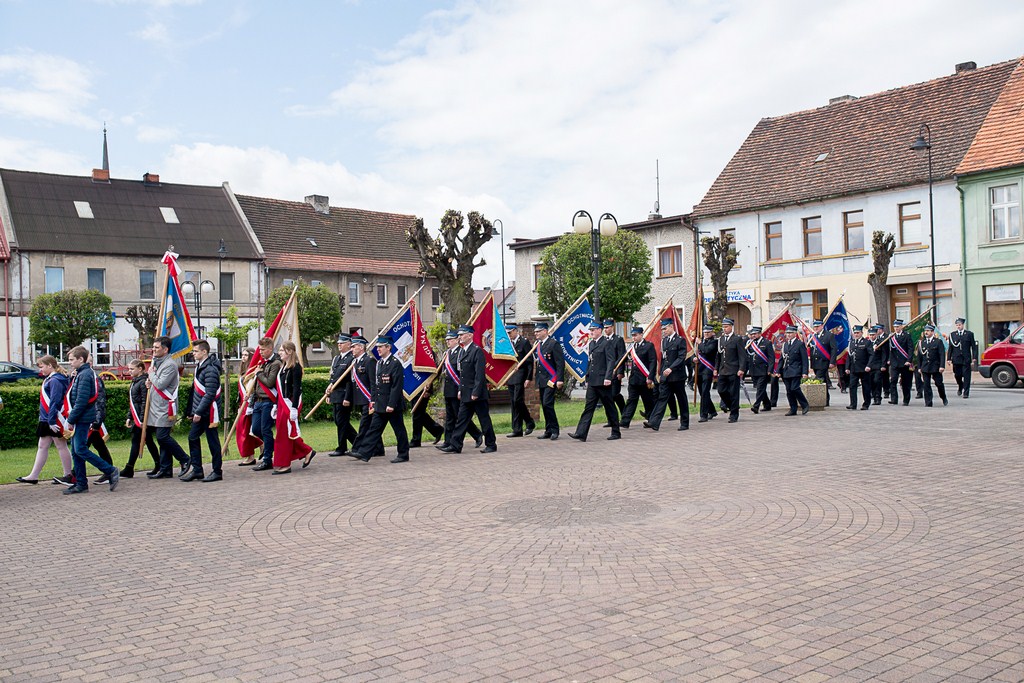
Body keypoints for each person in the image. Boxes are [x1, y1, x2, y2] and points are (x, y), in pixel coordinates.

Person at [61, 346, 119, 494]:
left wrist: (71, 420)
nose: (69, 363)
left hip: (82, 418)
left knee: (80, 449)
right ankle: (81, 483)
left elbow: (81, 401)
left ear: (81, 359)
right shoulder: (82, 373)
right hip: (81, 417)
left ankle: (110, 470)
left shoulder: (85, 374)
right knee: (76, 451)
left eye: (72, 359)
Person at [350, 336, 410, 463]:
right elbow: (376, 385)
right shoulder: (379, 363)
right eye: (377, 347)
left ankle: (403, 454)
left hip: (392, 404)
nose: (378, 349)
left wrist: (391, 404)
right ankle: (364, 453)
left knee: (399, 430)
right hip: (380, 403)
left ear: (388, 347)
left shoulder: (395, 363)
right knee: (374, 429)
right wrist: (373, 400)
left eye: (381, 347)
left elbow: (396, 387)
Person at [440, 324, 497, 454]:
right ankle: (455, 445)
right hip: (466, 392)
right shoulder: (463, 351)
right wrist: (460, 389)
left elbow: (479, 374)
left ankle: (491, 444)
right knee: (461, 420)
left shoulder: (477, 351)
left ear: (470, 335)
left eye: (462, 334)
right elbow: (462, 375)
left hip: (477, 394)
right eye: (459, 335)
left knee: (484, 419)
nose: (459, 337)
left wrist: (476, 392)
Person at [17, 355, 73, 485]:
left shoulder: (55, 380)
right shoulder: (52, 379)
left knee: (60, 445)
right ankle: (33, 475)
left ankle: (67, 474)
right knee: (42, 445)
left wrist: (52, 420)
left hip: (52, 418)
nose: (40, 370)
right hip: (47, 418)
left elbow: (55, 401)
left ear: (50, 365)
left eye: (42, 367)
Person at [146, 336, 191, 479]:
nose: (153, 350)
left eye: (156, 347)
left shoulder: (170, 365)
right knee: (161, 438)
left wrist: (151, 374)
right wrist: (150, 382)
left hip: (166, 407)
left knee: (162, 436)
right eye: (153, 347)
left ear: (165, 349)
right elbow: (155, 383)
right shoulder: (159, 363)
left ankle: (184, 459)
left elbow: (160, 384)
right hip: (157, 406)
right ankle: (166, 468)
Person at [569, 321, 621, 441]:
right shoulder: (592, 344)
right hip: (593, 381)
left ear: (600, 330)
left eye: (593, 330)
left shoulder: (606, 343)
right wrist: (587, 377)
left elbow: (610, 361)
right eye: (590, 330)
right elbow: (591, 361)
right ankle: (581, 433)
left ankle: (616, 431)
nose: (591, 332)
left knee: (609, 406)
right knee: (588, 407)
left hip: (603, 381)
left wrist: (608, 377)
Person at [271, 341, 316, 473]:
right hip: (281, 403)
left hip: (290, 403)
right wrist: (275, 405)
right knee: (284, 432)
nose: (279, 353)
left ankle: (285, 464)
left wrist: (294, 408)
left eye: (281, 350)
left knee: (284, 434)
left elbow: (296, 389)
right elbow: (279, 388)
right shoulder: (282, 367)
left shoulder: (295, 367)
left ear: (289, 352)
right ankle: (307, 451)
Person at [182, 340, 223, 481]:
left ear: (204, 352)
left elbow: (210, 393)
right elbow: (196, 392)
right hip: (201, 410)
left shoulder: (210, 369)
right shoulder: (200, 367)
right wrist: (192, 411)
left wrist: (198, 412)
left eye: (195, 351)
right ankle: (197, 470)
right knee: (192, 437)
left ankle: (217, 471)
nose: (193, 353)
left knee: (213, 442)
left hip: (209, 411)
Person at [436, 330, 482, 451]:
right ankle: (447, 441)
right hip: (448, 389)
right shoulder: (447, 353)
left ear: (457, 340)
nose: (448, 342)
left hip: (457, 388)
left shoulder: (461, 352)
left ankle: (477, 434)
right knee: (450, 417)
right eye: (447, 340)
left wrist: (460, 389)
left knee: (460, 416)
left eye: (450, 340)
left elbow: (462, 373)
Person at [644, 319, 689, 431]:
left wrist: (671, 368)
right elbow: (664, 359)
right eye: (662, 329)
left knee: (681, 399)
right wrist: (661, 372)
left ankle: (684, 423)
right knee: (662, 398)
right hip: (666, 376)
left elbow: (681, 357)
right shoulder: (664, 341)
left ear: (671, 327)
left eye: (665, 328)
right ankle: (654, 422)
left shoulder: (680, 340)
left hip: (677, 376)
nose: (663, 331)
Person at [121, 359, 160, 478]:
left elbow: (145, 402)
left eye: (132, 369)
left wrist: (142, 419)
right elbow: (133, 401)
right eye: (129, 369)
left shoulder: (143, 382)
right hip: (136, 416)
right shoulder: (135, 381)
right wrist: (129, 416)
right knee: (148, 441)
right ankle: (159, 464)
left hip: (141, 418)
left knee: (137, 441)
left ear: (140, 369)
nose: (130, 371)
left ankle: (129, 468)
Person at [348, 336, 385, 459]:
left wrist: (373, 400)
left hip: (368, 399)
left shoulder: (369, 361)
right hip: (361, 399)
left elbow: (374, 383)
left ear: (361, 347)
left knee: (364, 424)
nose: (351, 348)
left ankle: (357, 448)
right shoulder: (356, 362)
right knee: (370, 424)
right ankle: (379, 449)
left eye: (353, 346)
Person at [249, 337, 283, 472]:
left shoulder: (275, 363)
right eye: (259, 349)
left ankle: (267, 459)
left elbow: (269, 382)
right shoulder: (263, 362)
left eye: (263, 350)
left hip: (268, 401)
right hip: (258, 401)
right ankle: (274, 446)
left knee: (265, 430)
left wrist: (259, 373)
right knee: (256, 429)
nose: (260, 352)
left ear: (270, 349)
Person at [325, 335, 359, 456]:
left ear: (349, 344)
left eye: (342, 343)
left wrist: (347, 397)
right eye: (338, 343)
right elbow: (332, 376)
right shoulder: (336, 359)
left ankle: (342, 447)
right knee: (339, 421)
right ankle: (357, 443)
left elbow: (350, 380)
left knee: (342, 422)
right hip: (335, 394)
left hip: (344, 394)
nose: (339, 345)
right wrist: (328, 393)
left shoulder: (351, 359)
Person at [618, 325, 656, 429]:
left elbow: (653, 362)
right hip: (634, 379)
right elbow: (624, 359)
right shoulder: (631, 347)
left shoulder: (648, 346)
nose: (634, 337)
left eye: (635, 335)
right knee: (631, 400)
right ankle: (625, 421)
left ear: (641, 334)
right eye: (632, 335)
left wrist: (650, 377)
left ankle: (651, 419)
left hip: (645, 378)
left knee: (648, 400)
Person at [533, 322, 564, 441]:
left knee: (547, 404)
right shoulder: (537, 344)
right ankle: (548, 430)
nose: (536, 333)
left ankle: (555, 429)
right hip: (541, 380)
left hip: (551, 379)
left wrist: (560, 379)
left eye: (538, 331)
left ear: (545, 331)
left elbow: (560, 363)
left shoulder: (553, 344)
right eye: (535, 331)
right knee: (544, 406)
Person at [505, 323, 536, 437]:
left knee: (517, 400)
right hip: (511, 376)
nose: (508, 335)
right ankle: (517, 429)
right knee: (514, 402)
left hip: (520, 374)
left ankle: (529, 422)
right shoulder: (508, 344)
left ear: (515, 331)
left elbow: (529, 361)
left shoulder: (524, 342)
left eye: (510, 333)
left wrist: (528, 378)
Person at [716, 317, 747, 423]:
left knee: (734, 393)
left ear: (731, 327)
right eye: (723, 327)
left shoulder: (737, 339)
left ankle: (734, 414)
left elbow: (742, 356)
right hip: (723, 370)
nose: (724, 329)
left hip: (734, 370)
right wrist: (716, 368)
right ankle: (732, 406)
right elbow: (719, 356)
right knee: (721, 390)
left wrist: (741, 368)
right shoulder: (721, 339)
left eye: (726, 327)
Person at [779, 325, 810, 415]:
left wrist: (805, 372)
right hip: (786, 371)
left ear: (795, 334)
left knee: (795, 388)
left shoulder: (799, 344)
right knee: (789, 390)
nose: (788, 335)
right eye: (787, 333)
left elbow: (804, 359)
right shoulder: (785, 344)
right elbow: (782, 359)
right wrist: (778, 371)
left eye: (790, 333)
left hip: (796, 370)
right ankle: (793, 408)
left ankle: (805, 405)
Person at [236, 347, 259, 466]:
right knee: (244, 430)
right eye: (242, 354)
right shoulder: (244, 371)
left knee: (248, 431)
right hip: (243, 405)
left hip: (251, 404)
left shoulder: (255, 370)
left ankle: (254, 454)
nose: (243, 357)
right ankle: (252, 453)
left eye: (246, 355)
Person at [745, 326, 775, 414]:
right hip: (753, 370)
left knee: (760, 388)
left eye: (755, 334)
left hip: (763, 370)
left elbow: (771, 357)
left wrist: (770, 369)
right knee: (760, 388)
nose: (753, 335)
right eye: (752, 334)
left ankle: (756, 406)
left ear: (760, 333)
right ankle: (767, 404)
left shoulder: (767, 343)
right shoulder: (750, 343)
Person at [807, 319, 837, 406]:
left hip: (824, 362)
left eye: (817, 326)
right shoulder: (812, 336)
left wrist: (832, 361)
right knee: (823, 381)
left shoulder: (829, 335)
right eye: (815, 327)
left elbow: (833, 349)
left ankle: (818, 399)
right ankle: (826, 399)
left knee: (819, 379)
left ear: (822, 326)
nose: (816, 328)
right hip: (815, 362)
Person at [845, 325, 875, 411]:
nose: (856, 334)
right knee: (852, 386)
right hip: (854, 368)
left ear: (861, 333)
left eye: (858, 333)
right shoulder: (851, 342)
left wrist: (869, 365)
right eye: (855, 333)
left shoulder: (866, 342)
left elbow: (871, 355)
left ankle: (866, 404)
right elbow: (849, 356)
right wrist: (847, 367)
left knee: (866, 387)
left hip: (864, 368)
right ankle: (853, 404)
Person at [409, 376, 444, 448]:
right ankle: (437, 430)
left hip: (424, 390)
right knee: (420, 414)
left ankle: (416, 440)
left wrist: (428, 390)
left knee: (417, 414)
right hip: (414, 388)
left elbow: (430, 373)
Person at [918, 324, 948, 407]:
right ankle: (928, 402)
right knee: (926, 385)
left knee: (939, 383)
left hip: (935, 366)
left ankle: (943, 397)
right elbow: (920, 356)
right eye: (925, 331)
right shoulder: (922, 342)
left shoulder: (938, 342)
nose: (926, 332)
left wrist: (942, 366)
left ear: (932, 332)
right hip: (925, 367)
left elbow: (942, 355)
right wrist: (919, 367)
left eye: (928, 331)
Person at [603, 319, 627, 419]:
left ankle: (624, 414)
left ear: (612, 327)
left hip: (615, 371)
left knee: (614, 394)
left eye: (607, 327)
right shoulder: (603, 340)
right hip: (605, 372)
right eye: (604, 328)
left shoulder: (618, 339)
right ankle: (610, 419)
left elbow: (622, 356)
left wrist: (620, 372)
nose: (606, 330)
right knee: (607, 397)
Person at [949, 317, 979, 398]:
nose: (958, 326)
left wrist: (974, 357)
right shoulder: (952, 335)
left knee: (966, 376)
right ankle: (960, 385)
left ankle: (966, 392)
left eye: (960, 325)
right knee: (957, 375)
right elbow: (950, 347)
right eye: (957, 325)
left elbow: (973, 346)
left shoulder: (969, 334)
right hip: (956, 358)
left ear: (963, 325)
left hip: (966, 358)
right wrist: (948, 358)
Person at [887, 319, 915, 406]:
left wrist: (909, 360)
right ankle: (894, 399)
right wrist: (889, 359)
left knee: (905, 382)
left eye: (898, 327)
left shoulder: (906, 335)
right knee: (893, 380)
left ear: (901, 326)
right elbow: (890, 350)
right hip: (895, 362)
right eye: (895, 327)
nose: (896, 328)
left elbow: (910, 349)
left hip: (904, 363)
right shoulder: (892, 336)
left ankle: (906, 400)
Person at [695, 325, 719, 423]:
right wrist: (694, 358)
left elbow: (707, 350)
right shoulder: (701, 342)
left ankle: (703, 415)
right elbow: (697, 353)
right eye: (705, 332)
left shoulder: (714, 342)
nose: (706, 334)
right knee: (702, 392)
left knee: (705, 392)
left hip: (708, 370)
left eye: (708, 332)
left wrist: (700, 343)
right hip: (700, 369)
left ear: (712, 333)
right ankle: (712, 411)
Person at [868, 326, 888, 405]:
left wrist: (883, 365)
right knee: (871, 382)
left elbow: (884, 354)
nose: (872, 336)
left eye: (873, 335)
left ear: (876, 334)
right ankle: (873, 396)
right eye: (870, 335)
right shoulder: (867, 343)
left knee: (877, 381)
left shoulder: (880, 342)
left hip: (878, 365)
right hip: (869, 366)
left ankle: (878, 397)